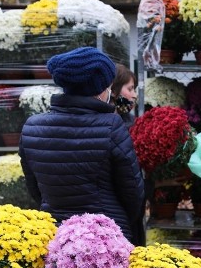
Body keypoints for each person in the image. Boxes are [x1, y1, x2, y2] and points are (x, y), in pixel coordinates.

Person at [20, 47, 145, 246]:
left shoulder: (32, 126)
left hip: (57, 236)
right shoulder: (111, 125)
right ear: (101, 88)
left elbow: (35, 189)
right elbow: (133, 192)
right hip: (107, 239)